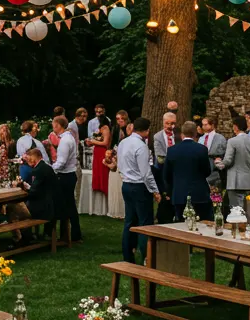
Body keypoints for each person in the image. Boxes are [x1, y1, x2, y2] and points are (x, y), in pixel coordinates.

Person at [117, 117, 160, 263]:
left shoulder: (123, 142)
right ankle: (147, 257)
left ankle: (128, 255)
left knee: (129, 221)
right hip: (140, 186)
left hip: (126, 184)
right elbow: (146, 173)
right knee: (145, 223)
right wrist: (155, 190)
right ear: (146, 131)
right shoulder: (141, 147)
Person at [164, 121, 213, 220]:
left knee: (181, 223)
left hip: (179, 193)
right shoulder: (201, 149)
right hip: (199, 193)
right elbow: (207, 171)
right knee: (202, 222)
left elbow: (167, 174)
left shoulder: (172, 150)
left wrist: (171, 190)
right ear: (195, 133)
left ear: (182, 134)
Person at [217, 115, 250, 219]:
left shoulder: (232, 141)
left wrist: (218, 163)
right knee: (249, 212)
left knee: (236, 212)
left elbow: (228, 160)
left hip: (235, 181)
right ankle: (249, 228)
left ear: (235, 127)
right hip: (249, 180)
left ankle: (237, 228)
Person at [51, 115, 82, 242]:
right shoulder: (68, 138)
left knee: (67, 206)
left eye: (54, 125)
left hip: (65, 175)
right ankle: (71, 234)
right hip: (69, 174)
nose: (53, 127)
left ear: (58, 125)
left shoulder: (65, 141)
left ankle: (72, 234)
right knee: (69, 205)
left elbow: (61, 162)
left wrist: (50, 169)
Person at [21, 145, 59, 232]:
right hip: (54, 204)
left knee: (20, 211)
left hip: (45, 208)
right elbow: (40, 187)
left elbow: (33, 193)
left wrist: (25, 189)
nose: (28, 161)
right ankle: (33, 235)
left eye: (29, 159)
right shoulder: (47, 167)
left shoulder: (38, 170)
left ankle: (25, 237)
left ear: (33, 159)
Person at [89, 110, 112, 211]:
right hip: (97, 151)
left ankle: (104, 190)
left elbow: (105, 142)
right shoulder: (102, 128)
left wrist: (93, 141)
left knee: (102, 171)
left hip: (101, 152)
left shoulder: (105, 128)